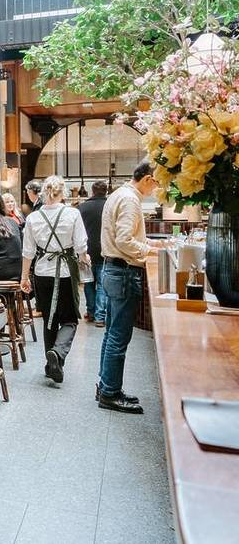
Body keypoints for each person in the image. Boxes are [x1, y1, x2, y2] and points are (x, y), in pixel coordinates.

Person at [96, 161, 162, 414]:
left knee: (111, 332)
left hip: (113, 269)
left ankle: (106, 386)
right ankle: (110, 393)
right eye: (156, 182)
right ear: (146, 179)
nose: (156, 188)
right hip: (123, 270)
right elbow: (125, 239)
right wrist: (149, 249)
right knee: (118, 335)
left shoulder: (119, 194)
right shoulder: (130, 199)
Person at [20, 176, 87, 385]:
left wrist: (24, 276)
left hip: (41, 272)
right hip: (65, 272)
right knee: (69, 319)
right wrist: (85, 261)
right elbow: (81, 246)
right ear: (63, 193)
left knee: (49, 318)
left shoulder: (33, 217)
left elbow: (28, 251)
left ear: (43, 194)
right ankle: (57, 353)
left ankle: (50, 366)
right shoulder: (73, 214)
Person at [78, 180, 109, 327]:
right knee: (102, 285)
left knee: (88, 283)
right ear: (106, 191)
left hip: (86, 251)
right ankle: (100, 316)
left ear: (92, 191)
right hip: (105, 251)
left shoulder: (82, 208)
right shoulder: (110, 206)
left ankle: (90, 312)